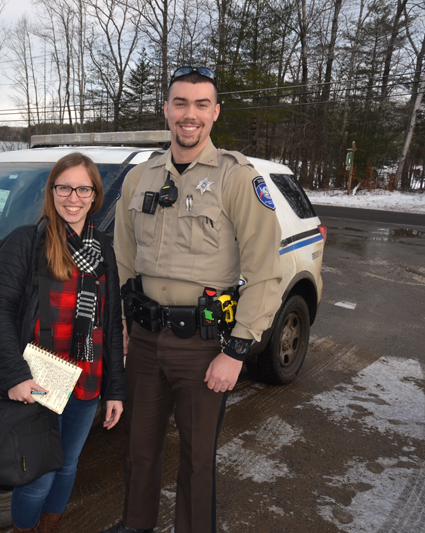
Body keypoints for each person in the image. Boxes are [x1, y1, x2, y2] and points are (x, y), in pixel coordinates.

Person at [103, 67, 283, 533]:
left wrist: (236, 349)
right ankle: (136, 525)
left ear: (215, 112)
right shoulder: (140, 176)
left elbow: (265, 268)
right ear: (166, 109)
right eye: (180, 103)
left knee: (197, 458)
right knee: (139, 451)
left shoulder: (236, 178)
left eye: (201, 105)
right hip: (143, 338)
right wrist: (123, 320)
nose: (190, 114)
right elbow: (123, 255)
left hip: (204, 345)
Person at [0, 152, 127, 533]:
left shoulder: (103, 251)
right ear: (52, 192)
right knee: (37, 475)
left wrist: (115, 389)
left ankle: (50, 526)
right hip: (40, 378)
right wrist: (13, 374)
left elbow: (110, 325)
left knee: (68, 465)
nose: (73, 197)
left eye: (83, 188)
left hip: (87, 377)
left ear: (95, 194)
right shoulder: (26, 243)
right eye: (64, 187)